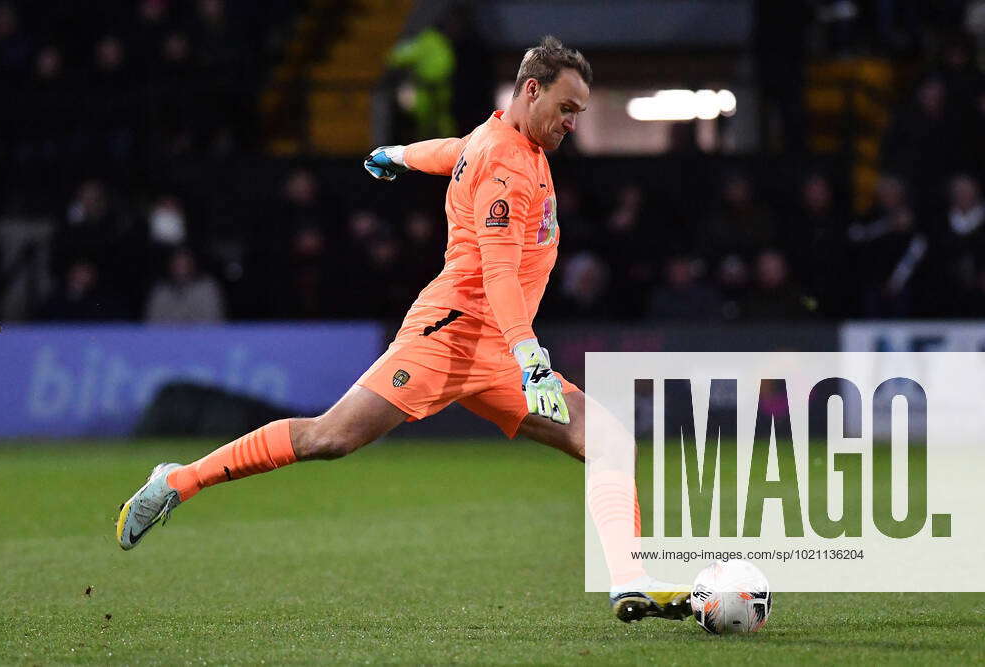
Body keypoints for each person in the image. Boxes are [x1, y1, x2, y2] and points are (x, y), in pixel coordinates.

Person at [115, 36, 690, 624]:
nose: (572, 123)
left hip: (495, 349)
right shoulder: (507, 169)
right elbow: (497, 271)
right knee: (328, 438)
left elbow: (452, 150)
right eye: (567, 108)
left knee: (609, 439)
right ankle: (180, 479)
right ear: (532, 90)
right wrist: (531, 357)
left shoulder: (502, 139)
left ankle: (629, 581)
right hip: (446, 337)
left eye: (579, 113)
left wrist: (398, 153)